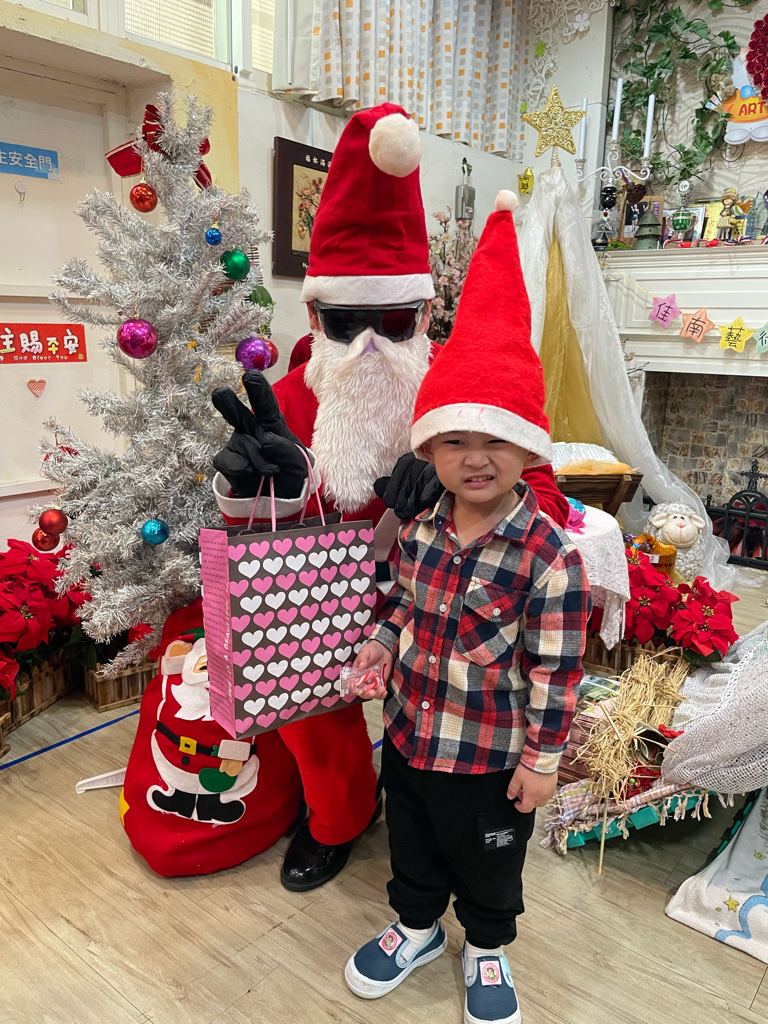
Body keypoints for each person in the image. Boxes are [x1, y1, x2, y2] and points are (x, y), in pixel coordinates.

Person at [211, 104, 569, 893]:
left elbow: (543, 490)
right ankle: (339, 819)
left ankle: (440, 832)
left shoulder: (462, 394)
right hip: (326, 601)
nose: (370, 343)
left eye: (394, 319)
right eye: (347, 322)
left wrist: (462, 492)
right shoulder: (286, 400)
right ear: (313, 314)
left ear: (427, 314)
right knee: (312, 697)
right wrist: (250, 489)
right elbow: (252, 540)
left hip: (444, 600)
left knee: (444, 743)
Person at [343, 191, 591, 1024]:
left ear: (527, 446)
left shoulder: (549, 557)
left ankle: (485, 946)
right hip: (410, 737)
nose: (475, 458)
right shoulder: (420, 529)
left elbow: (557, 674)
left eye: (496, 439)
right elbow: (405, 608)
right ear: (429, 446)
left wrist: (544, 762)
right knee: (411, 842)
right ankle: (416, 927)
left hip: (489, 760)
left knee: (488, 863)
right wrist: (382, 644)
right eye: (455, 439)